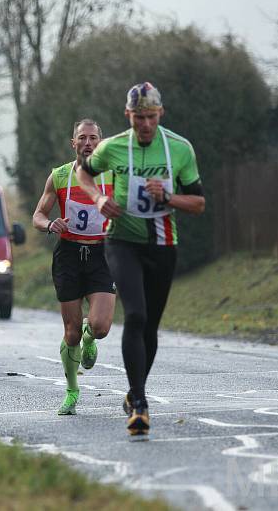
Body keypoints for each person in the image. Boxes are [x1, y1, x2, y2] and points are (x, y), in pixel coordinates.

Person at [76, 83, 205, 435]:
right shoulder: (113, 146)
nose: (144, 124)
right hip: (122, 242)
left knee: (150, 327)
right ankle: (142, 405)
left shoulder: (179, 149)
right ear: (127, 116)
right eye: (138, 118)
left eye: (150, 117)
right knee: (135, 314)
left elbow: (198, 203)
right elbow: (83, 172)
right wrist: (98, 199)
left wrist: (169, 197)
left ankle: (134, 392)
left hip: (163, 245)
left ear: (160, 114)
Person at [32, 119, 117, 416]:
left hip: (101, 255)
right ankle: (71, 390)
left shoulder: (112, 174)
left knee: (101, 327)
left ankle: (90, 336)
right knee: (70, 334)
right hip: (68, 254)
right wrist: (50, 224)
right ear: (74, 143)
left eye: (93, 137)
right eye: (82, 137)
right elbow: (38, 214)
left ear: (100, 143)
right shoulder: (59, 176)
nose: (88, 142)